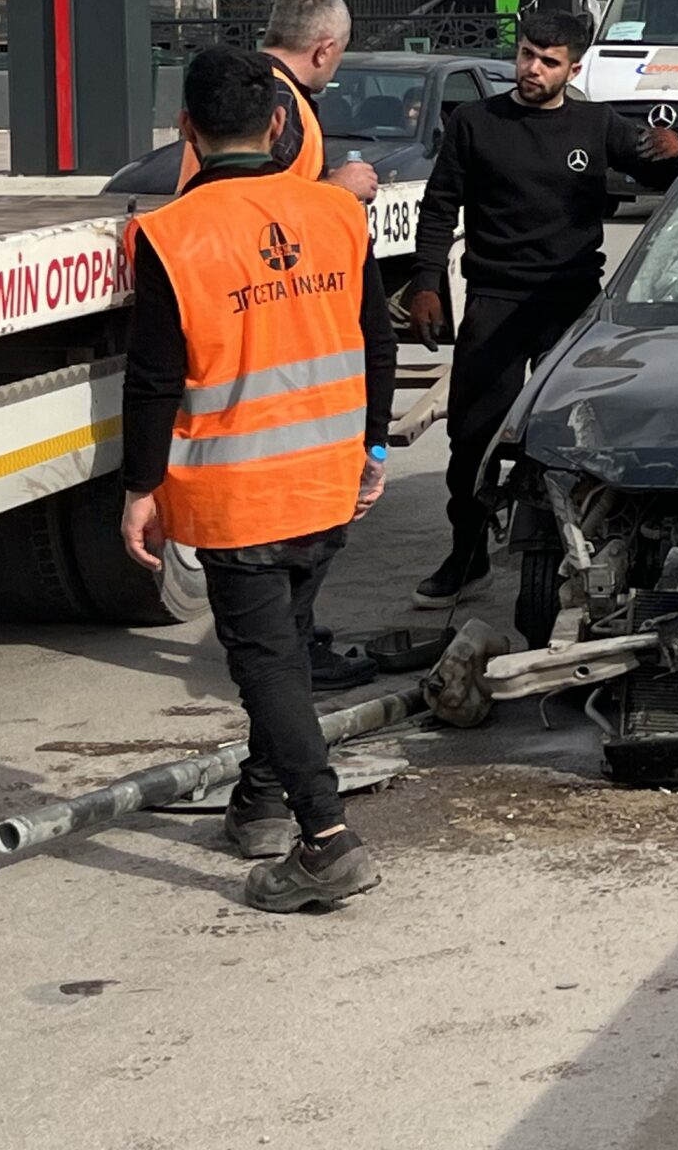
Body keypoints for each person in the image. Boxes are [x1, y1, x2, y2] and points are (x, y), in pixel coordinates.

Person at [120, 47, 397, 911]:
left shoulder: (168, 236)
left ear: (186, 133)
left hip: (239, 492)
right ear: (281, 123)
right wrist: (373, 450)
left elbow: (155, 378)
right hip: (326, 477)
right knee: (287, 646)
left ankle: (327, 838)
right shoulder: (338, 214)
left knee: (267, 664)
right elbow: (377, 342)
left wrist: (140, 487)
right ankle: (263, 802)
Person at [407, 11, 678, 613]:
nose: (533, 69)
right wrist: (426, 282)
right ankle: (467, 554)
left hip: (571, 305)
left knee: (580, 436)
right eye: (527, 55)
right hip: (495, 300)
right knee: (473, 438)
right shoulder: (475, 124)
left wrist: (677, 153)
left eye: (549, 60)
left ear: (574, 67)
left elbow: (674, 179)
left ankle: (581, 553)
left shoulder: (597, 124)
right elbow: (439, 208)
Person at [179, 0, 379, 209]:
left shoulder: (239, 84)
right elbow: (254, 204)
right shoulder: (273, 96)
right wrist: (339, 188)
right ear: (324, 51)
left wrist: (320, 180)